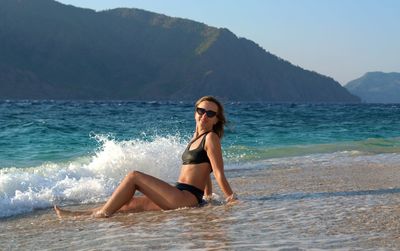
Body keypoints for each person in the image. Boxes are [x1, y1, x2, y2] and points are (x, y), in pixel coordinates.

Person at [54, 96, 237, 218]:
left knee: (134, 176)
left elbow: (218, 172)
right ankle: (81, 215)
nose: (204, 116)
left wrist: (231, 199)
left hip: (185, 198)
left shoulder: (211, 138)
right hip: (180, 194)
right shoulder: (195, 138)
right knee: (128, 205)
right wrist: (208, 196)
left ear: (216, 120)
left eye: (210, 113)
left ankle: (102, 214)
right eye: (201, 111)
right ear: (195, 112)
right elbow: (204, 170)